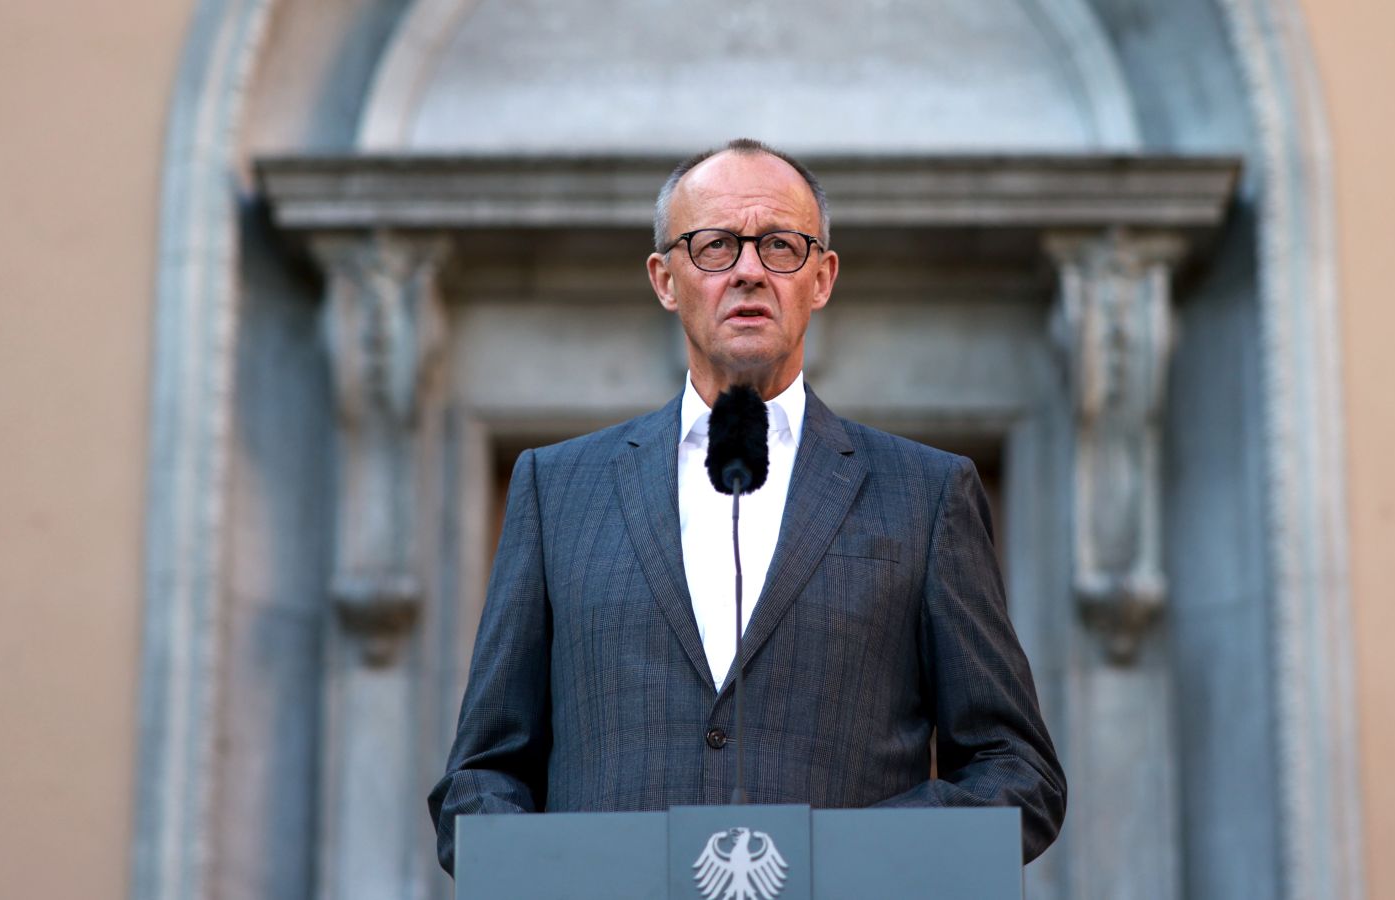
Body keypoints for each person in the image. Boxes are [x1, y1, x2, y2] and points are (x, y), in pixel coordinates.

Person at [427, 139, 1066, 875]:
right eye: (716, 245)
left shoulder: (925, 493)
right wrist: (565, 874)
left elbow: (1016, 772)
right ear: (665, 279)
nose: (750, 270)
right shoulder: (556, 487)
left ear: (821, 278)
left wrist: (838, 862)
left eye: (781, 246)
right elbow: (478, 778)